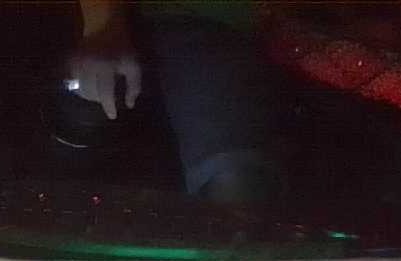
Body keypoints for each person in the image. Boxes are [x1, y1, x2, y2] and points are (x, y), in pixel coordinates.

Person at [68, 0, 285, 208]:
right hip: (193, 21)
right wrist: (104, 25)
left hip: (235, 28)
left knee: (237, 184)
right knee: (237, 184)